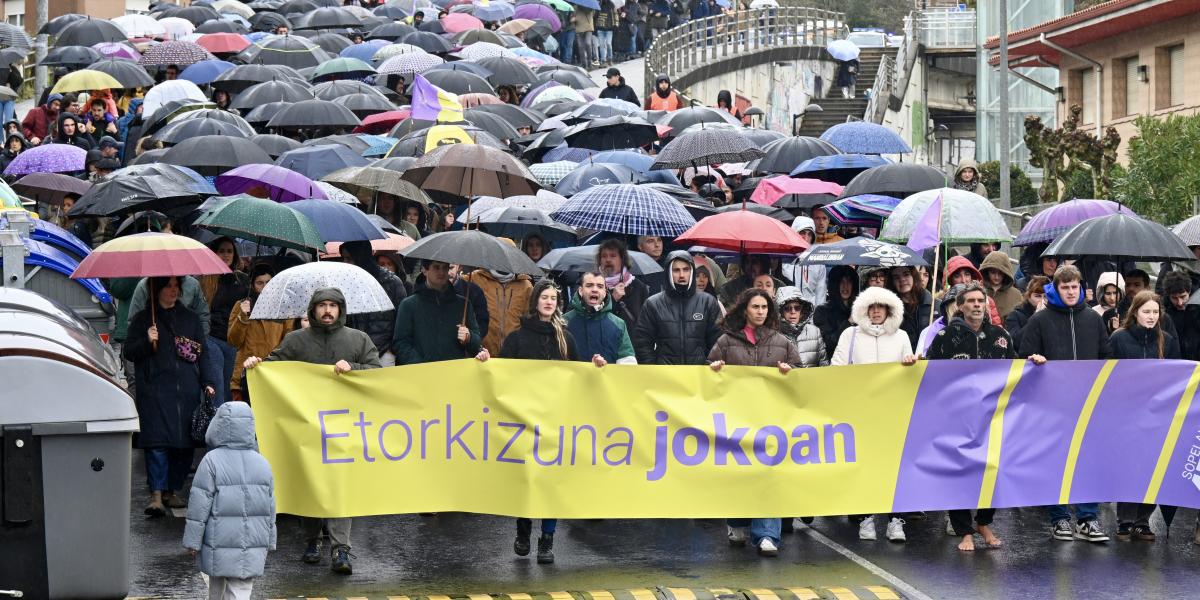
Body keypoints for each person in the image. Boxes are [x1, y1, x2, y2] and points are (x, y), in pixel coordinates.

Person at [243, 287, 381, 574]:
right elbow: (271, 370)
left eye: (333, 305)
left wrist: (353, 366)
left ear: (341, 309)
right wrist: (255, 365)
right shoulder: (295, 341)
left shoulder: (358, 339)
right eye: (322, 305)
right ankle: (312, 540)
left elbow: (378, 374)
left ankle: (341, 548)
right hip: (306, 426)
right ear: (312, 310)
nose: (327, 310)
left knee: (341, 486)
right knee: (310, 482)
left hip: (347, 425)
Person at [476, 279, 606, 563]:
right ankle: (523, 531)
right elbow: (500, 374)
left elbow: (579, 376)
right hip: (524, 420)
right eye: (544, 297)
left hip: (556, 421)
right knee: (526, 480)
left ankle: (547, 539)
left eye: (553, 298)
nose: (548, 302)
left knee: (551, 482)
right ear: (535, 301)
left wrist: (595, 366)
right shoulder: (517, 338)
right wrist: (486, 361)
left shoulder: (565, 338)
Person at [1019, 265, 1111, 543]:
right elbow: (1023, 355)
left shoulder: (1093, 320)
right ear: (1056, 289)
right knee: (1055, 461)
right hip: (1050, 405)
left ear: (1081, 288)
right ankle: (1059, 518)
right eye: (1065, 287)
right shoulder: (1040, 320)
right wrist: (1034, 359)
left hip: (1086, 403)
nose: (1071, 292)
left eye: (1075, 287)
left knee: (1088, 460)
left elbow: (1105, 357)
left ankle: (1088, 518)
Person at [708, 288, 800, 557]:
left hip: (771, 421)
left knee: (768, 475)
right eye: (755, 307)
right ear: (745, 310)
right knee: (739, 472)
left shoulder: (782, 342)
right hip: (737, 419)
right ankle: (737, 524)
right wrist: (714, 369)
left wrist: (789, 372)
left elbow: (801, 376)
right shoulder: (726, 341)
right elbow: (708, 372)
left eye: (764, 307)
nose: (760, 312)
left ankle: (768, 534)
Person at [925, 283, 1014, 551]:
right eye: (971, 301)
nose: (977, 304)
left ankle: (984, 522)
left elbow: (1016, 371)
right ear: (960, 306)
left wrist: (1035, 361)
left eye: (981, 300)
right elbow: (929, 375)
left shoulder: (1002, 336)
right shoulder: (944, 337)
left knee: (995, 471)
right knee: (960, 475)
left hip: (992, 418)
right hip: (956, 420)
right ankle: (964, 531)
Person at [829, 286, 917, 542]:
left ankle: (895, 520)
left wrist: (911, 364)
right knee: (865, 466)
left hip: (892, 413)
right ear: (863, 309)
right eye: (872, 306)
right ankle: (866, 518)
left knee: (894, 468)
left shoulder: (901, 337)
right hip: (861, 413)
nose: (876, 311)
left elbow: (908, 374)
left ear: (890, 310)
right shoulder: (850, 335)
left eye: (882, 306)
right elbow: (837, 368)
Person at [124, 277, 216, 517]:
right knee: (157, 442)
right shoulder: (143, 320)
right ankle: (156, 494)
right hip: (153, 389)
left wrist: (208, 382)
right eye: (168, 286)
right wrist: (147, 340)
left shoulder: (190, 319)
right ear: (156, 289)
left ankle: (172, 490)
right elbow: (130, 352)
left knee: (183, 443)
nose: (174, 291)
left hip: (185, 389)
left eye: (177, 287)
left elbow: (202, 353)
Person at [182, 402, 276, 600]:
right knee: (241, 590)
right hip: (252, 542)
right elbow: (270, 507)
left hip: (217, 541)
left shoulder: (211, 461)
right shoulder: (262, 463)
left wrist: (192, 541)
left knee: (216, 587)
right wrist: (270, 540)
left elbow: (199, 506)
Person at [1107, 290, 1180, 542]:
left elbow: (1176, 377)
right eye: (1146, 311)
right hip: (1126, 415)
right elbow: (1107, 375)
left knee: (1153, 467)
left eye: (1155, 312)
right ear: (1135, 312)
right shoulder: (1119, 338)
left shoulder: (1168, 341)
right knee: (1129, 467)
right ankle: (1125, 520)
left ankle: (1143, 520)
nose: (1151, 316)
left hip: (1157, 415)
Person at [633, 250, 722, 365]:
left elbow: (717, 342)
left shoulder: (708, 302)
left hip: (699, 375)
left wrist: (708, 366)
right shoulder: (653, 304)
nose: (681, 275)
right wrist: (654, 369)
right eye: (676, 270)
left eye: (686, 269)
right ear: (668, 273)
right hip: (665, 376)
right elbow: (642, 343)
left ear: (692, 271)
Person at [394, 260, 482, 364]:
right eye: (436, 267)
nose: (441, 272)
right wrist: (419, 364)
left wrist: (469, 337)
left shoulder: (463, 304)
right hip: (420, 375)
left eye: (445, 268)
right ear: (424, 270)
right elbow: (401, 343)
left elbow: (477, 344)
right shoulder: (408, 305)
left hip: (454, 373)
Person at [227, 264, 293, 402]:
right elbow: (233, 341)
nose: (265, 286)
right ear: (252, 285)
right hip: (245, 373)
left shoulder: (284, 307)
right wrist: (243, 317)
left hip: (274, 373)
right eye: (260, 283)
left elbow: (289, 339)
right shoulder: (242, 305)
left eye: (269, 282)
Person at [341, 240, 408, 366]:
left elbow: (402, 319)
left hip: (384, 352)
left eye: (349, 258)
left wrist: (393, 348)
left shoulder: (391, 282)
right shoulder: (346, 282)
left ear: (360, 257)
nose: (345, 263)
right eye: (344, 258)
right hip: (354, 352)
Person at [200, 238, 249, 407]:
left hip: (234, 340)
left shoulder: (243, 280)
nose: (226, 255)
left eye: (230, 251)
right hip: (212, 338)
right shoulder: (205, 279)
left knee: (230, 388)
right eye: (222, 251)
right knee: (217, 388)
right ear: (214, 253)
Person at [564, 271, 638, 365]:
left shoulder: (619, 324)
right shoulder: (563, 322)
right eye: (589, 285)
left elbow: (628, 363)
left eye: (600, 286)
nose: (594, 289)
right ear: (581, 291)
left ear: (604, 292)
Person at [464, 264, 534, 356]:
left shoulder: (526, 286)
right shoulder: (474, 278)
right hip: (481, 355)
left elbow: (529, 322)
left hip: (514, 356)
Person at [597, 239, 649, 327]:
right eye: (604, 256)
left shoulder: (639, 287)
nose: (608, 260)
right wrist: (613, 300)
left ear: (622, 259)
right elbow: (593, 319)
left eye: (613, 256)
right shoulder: (594, 286)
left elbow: (647, 321)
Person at [813, 265, 858, 361]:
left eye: (849, 281)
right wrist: (848, 322)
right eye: (841, 281)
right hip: (834, 364)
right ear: (834, 284)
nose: (845, 286)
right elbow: (827, 344)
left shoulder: (860, 308)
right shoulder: (822, 311)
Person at [776, 286, 826, 367]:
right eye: (787, 308)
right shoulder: (772, 335)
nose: (793, 312)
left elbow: (824, 366)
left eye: (797, 308)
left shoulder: (815, 332)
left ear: (802, 310)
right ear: (780, 311)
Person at [888, 266, 933, 351]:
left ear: (914, 276)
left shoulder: (933, 304)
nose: (902, 279)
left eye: (906, 274)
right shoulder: (888, 310)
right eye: (896, 277)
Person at [1161, 270, 1200, 360]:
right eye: (1174, 298)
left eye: (1183, 297)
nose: (1180, 302)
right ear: (1168, 295)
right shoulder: (1164, 311)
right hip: (1175, 361)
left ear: (1189, 291)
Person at [1005, 275, 1047, 351]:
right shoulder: (1014, 315)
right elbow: (1015, 342)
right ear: (1028, 296)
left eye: (1046, 297)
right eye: (1037, 296)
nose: (1042, 301)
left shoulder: (1054, 314)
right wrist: (1035, 318)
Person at [980, 251, 1023, 319]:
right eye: (993, 272)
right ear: (986, 272)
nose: (996, 277)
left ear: (1006, 274)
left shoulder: (1016, 295)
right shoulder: (978, 291)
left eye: (1000, 273)